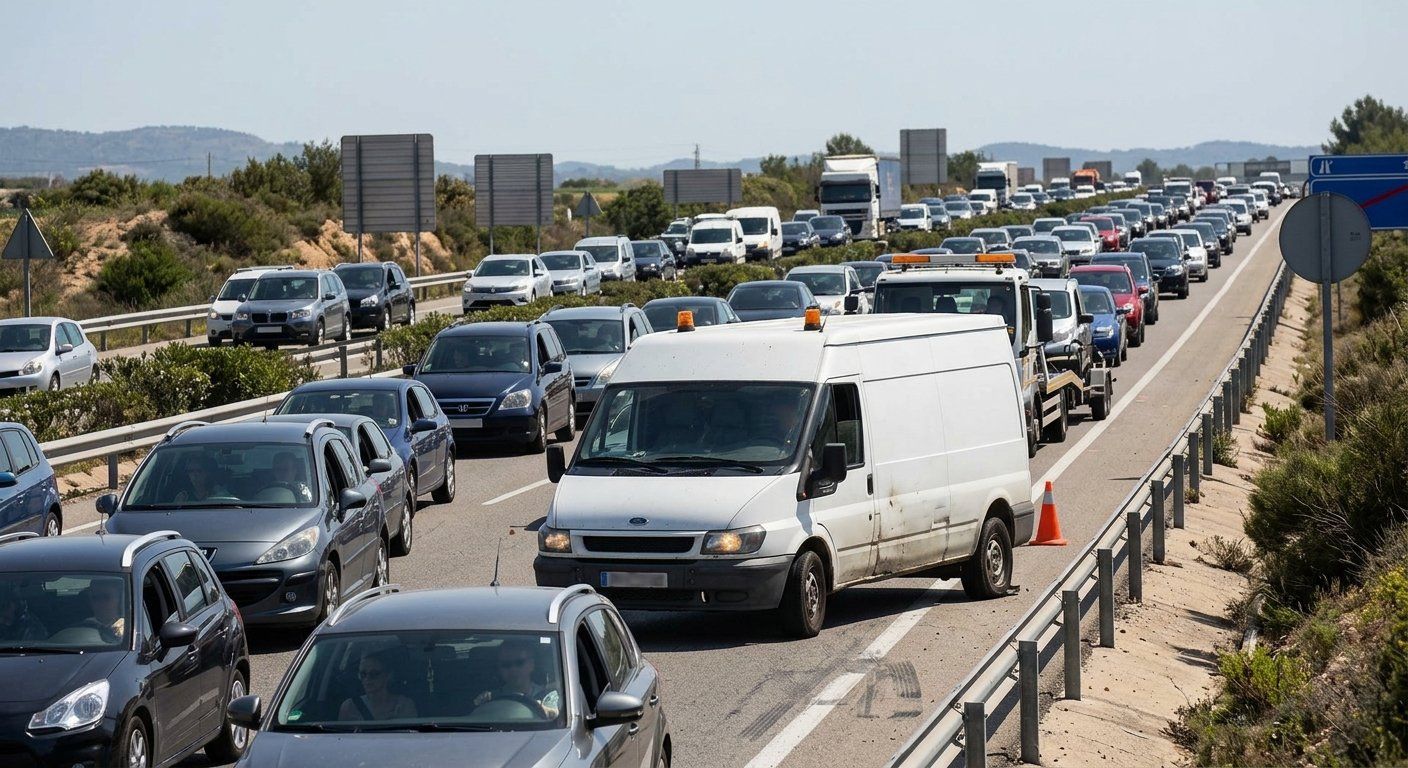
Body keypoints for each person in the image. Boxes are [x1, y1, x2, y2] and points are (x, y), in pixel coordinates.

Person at [472, 639, 561, 719]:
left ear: (531, 664)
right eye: (506, 664)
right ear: (499, 669)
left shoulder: (549, 697)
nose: (513, 669)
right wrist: (482, 705)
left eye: (519, 663)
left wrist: (552, 713)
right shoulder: (489, 698)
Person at [339, 651, 417, 721]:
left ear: (388, 675)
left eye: (374, 674)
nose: (367, 679)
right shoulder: (349, 707)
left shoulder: (403, 705)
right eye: (363, 674)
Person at [79, 579, 125, 643]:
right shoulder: (82, 628)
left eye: (106, 597)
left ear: (120, 600)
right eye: (95, 597)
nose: (99, 603)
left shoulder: (132, 627)